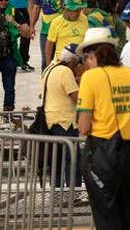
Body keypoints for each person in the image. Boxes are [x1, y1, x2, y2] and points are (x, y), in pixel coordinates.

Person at [76, 27, 130, 230]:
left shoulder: (91, 78)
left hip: (102, 152)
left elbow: (83, 126)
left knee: (106, 216)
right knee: (127, 215)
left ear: (91, 56)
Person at [41, 43, 83, 186]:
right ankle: (74, 194)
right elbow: (76, 97)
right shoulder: (65, 72)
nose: (78, 66)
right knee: (72, 160)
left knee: (58, 161)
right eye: (77, 63)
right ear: (72, 61)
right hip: (65, 122)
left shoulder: (49, 68)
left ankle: (58, 194)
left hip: (50, 120)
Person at [44, 0, 89, 66]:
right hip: (63, 61)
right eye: (75, 10)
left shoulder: (84, 19)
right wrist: (48, 62)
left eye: (79, 10)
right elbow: (49, 43)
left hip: (81, 60)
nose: (78, 13)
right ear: (66, 10)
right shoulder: (56, 22)